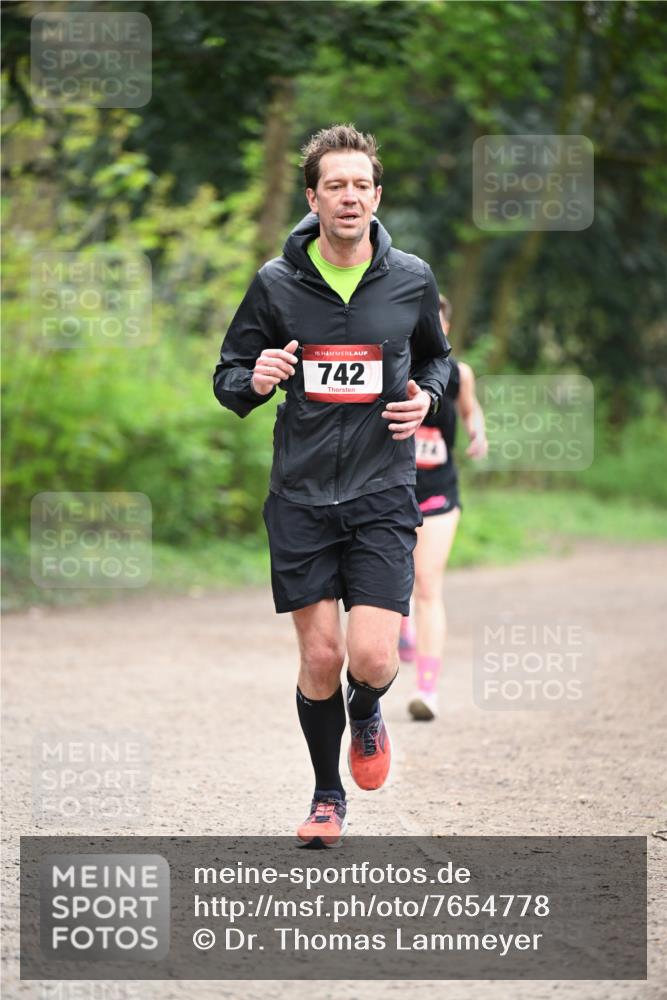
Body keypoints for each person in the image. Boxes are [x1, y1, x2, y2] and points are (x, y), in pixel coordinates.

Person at [213, 125, 451, 846]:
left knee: (372, 659)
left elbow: (439, 362)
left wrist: (428, 400)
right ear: (313, 198)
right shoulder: (275, 283)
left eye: (360, 185)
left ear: (376, 197)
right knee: (319, 657)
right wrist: (252, 380)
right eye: (334, 185)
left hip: (381, 491)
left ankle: (368, 711)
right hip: (301, 496)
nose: (348, 197)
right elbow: (229, 375)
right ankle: (325, 797)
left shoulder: (410, 277)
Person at [399, 295, 488, 721]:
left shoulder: (458, 374)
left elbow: (471, 411)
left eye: (433, 324)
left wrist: (477, 433)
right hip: (388, 493)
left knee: (428, 586)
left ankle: (427, 691)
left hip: (438, 492)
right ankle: (401, 627)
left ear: (446, 329)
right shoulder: (389, 366)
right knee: (395, 582)